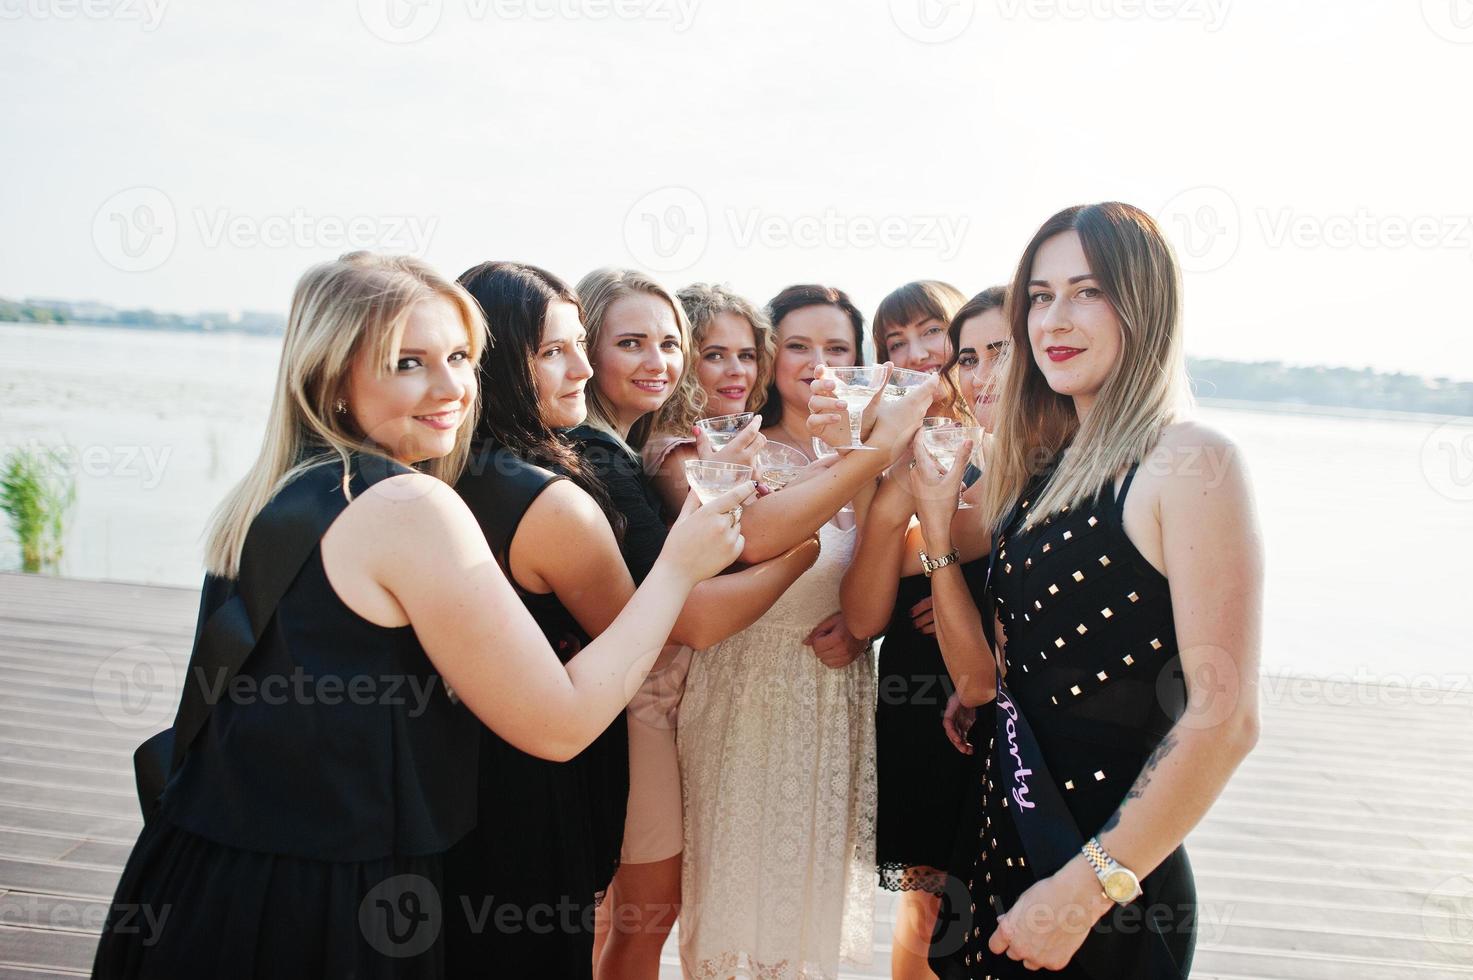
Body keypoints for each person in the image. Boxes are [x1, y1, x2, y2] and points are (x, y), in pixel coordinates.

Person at [92, 252, 750, 980]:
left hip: (198, 877)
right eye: (408, 363)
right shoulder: (409, 506)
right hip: (323, 906)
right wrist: (678, 568)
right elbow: (559, 725)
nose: (450, 388)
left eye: (462, 357)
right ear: (332, 376)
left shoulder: (283, 489)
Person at [911, 203, 1262, 977]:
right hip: (1004, 841)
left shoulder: (1192, 461)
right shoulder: (1046, 471)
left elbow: (1224, 716)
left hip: (1103, 884)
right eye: (1038, 296)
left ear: (1144, 302)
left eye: (1086, 291)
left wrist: (1080, 892)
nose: (1053, 320)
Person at [555, 268, 819, 980]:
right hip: (642, 701)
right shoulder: (635, 458)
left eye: (669, 344)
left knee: (616, 914)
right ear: (586, 349)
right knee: (643, 912)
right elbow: (694, 618)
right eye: (632, 343)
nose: (657, 362)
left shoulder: (621, 447)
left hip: (638, 701)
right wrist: (805, 553)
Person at [676, 283, 936, 979]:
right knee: (730, 907)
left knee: (802, 916)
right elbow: (751, 546)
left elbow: (872, 597)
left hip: (829, 703)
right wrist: (867, 453)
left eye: (838, 350)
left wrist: (861, 635)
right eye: (797, 346)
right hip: (741, 693)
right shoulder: (736, 446)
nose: (817, 363)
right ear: (770, 357)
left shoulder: (872, 460)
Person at [839, 283, 1008, 980]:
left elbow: (992, 532)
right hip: (919, 682)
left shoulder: (1009, 436)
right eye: (893, 343)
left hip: (999, 682)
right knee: (931, 904)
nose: (914, 355)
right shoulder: (878, 445)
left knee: (992, 899)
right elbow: (864, 593)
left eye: (930, 333)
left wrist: (977, 597)